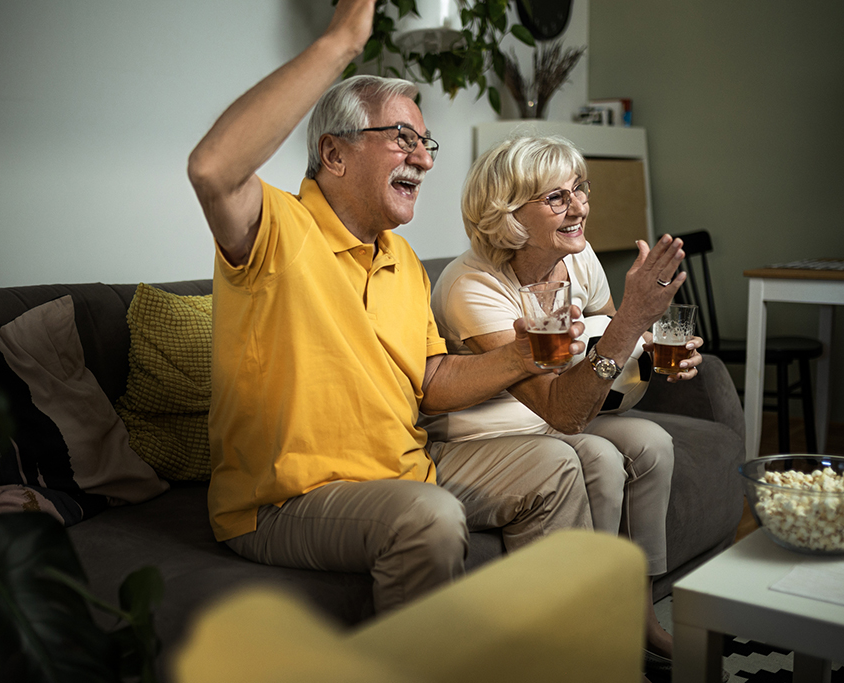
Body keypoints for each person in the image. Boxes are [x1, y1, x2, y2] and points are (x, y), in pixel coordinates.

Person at [187, 0, 597, 615]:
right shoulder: (278, 230)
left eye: (425, 143)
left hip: (405, 469)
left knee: (557, 464)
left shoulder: (402, 260)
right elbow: (213, 168)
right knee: (426, 516)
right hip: (285, 501)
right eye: (404, 139)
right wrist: (340, 43)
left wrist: (524, 352)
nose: (427, 160)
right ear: (334, 154)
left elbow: (430, 382)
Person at [420, 135, 704, 662]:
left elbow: (606, 335)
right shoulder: (470, 286)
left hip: (555, 413)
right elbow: (561, 410)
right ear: (507, 214)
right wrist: (632, 320)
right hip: (498, 429)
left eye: (580, 189)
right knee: (598, 456)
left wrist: (656, 342)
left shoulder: (578, 256)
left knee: (651, 443)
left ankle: (638, 616)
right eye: (557, 198)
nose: (579, 207)